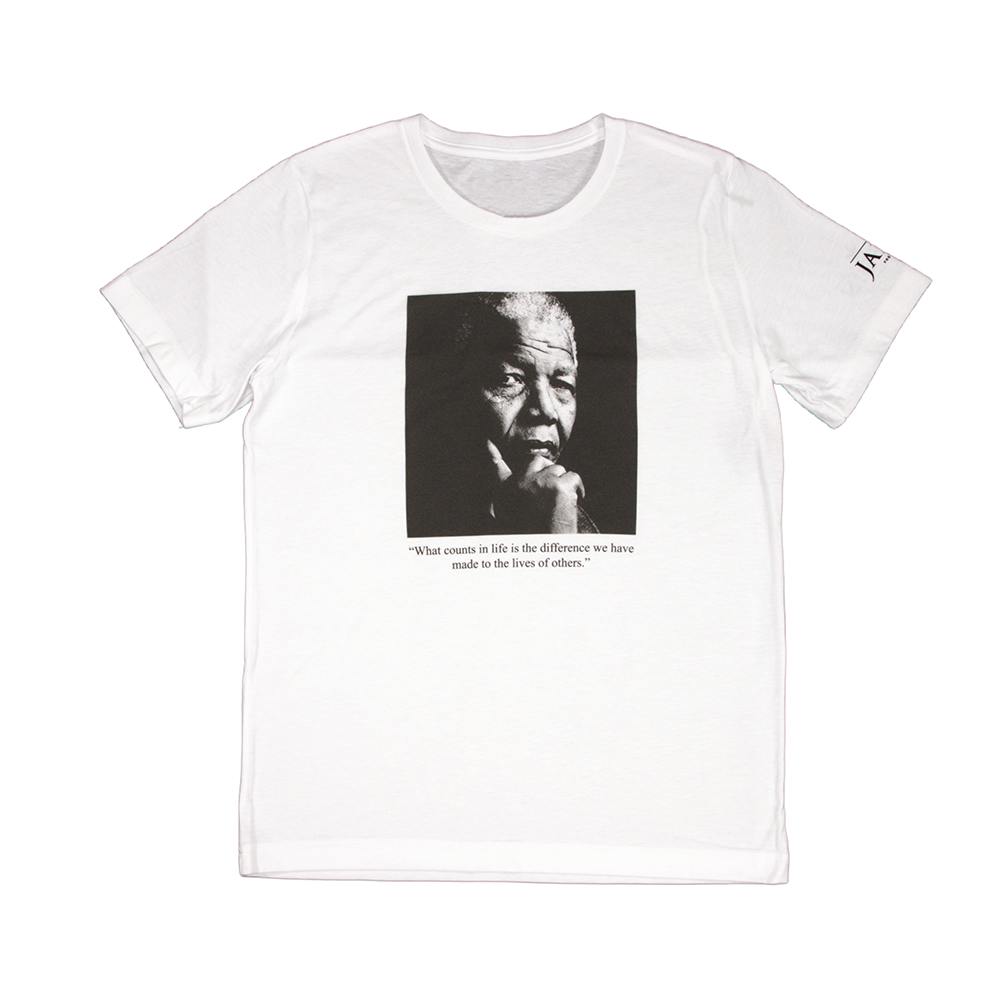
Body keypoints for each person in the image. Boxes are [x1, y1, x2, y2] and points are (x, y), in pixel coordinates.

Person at [454, 291, 600, 534]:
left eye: (562, 385)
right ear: (461, 391)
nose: (546, 410)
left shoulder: (574, 518)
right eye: (509, 379)